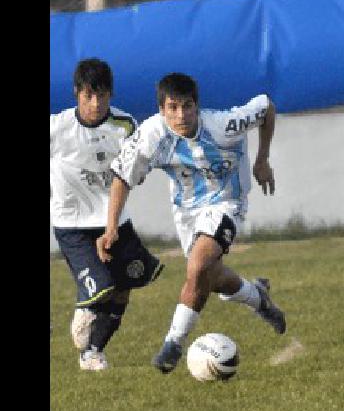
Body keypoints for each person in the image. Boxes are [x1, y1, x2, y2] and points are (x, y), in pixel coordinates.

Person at [96, 72, 286, 374]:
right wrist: (110, 228)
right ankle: (257, 297)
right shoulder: (152, 135)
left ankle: (173, 343)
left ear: (197, 106)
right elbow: (121, 178)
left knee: (197, 267)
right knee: (208, 277)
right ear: (161, 109)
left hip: (226, 202)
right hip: (186, 212)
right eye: (173, 107)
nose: (181, 114)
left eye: (187, 106)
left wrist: (262, 159)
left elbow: (266, 107)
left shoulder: (223, 126)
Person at [50, 58, 164, 371]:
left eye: (102, 96)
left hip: (114, 219)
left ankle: (93, 352)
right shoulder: (57, 128)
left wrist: (112, 223)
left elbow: (133, 174)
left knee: (125, 286)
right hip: (72, 224)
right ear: (76, 93)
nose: (95, 103)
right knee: (102, 288)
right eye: (88, 96)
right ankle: (86, 304)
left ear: (111, 94)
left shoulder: (125, 126)